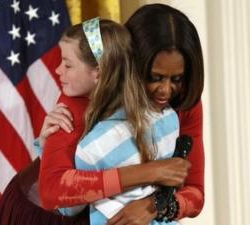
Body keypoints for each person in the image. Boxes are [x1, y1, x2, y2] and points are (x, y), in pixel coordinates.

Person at [38, 3, 205, 225]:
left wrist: (153, 206)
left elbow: (195, 193)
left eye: (176, 79)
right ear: (130, 63)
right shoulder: (82, 96)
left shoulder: (183, 102)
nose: (166, 90)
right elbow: (53, 191)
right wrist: (151, 172)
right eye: (155, 77)